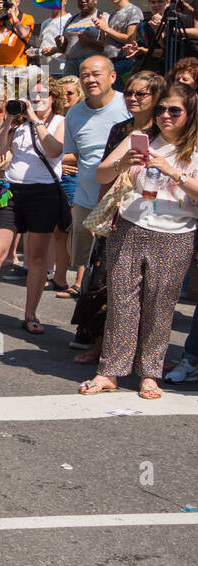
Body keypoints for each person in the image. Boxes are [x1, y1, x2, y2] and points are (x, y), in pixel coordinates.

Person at [81, 83, 198, 397]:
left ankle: (149, 374)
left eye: (174, 110)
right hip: (130, 229)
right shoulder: (142, 140)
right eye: (161, 109)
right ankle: (110, 371)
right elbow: (101, 175)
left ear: (189, 114)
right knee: (122, 304)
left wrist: (172, 172)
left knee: (160, 308)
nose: (165, 115)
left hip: (175, 235)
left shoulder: (195, 148)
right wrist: (123, 163)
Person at [0, 88, 66, 334]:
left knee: (36, 257)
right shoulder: (18, 125)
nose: (38, 99)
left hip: (43, 193)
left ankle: (30, 314)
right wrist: (11, 119)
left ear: (54, 99)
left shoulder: (60, 122)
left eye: (44, 95)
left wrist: (35, 119)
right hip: (12, 191)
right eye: (33, 96)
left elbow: (54, 151)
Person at [60, 56, 128, 305]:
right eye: (84, 74)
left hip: (121, 203)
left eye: (96, 73)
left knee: (114, 269)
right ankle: (88, 326)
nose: (89, 79)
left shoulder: (128, 105)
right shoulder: (75, 113)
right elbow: (73, 156)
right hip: (86, 199)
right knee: (87, 267)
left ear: (112, 76)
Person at [98, 0, 144, 86]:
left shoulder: (133, 11)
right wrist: (103, 30)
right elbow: (105, 44)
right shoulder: (113, 15)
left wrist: (107, 29)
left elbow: (130, 40)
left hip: (124, 62)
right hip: (109, 63)